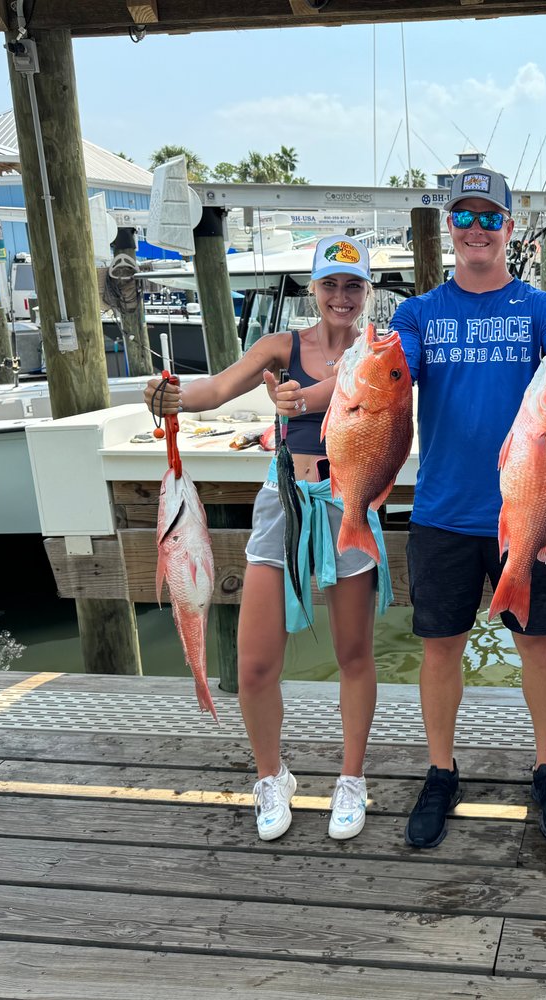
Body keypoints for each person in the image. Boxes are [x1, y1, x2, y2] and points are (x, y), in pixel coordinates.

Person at [144, 235, 383, 844]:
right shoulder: (279, 348)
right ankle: (272, 775)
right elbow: (215, 390)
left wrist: (305, 398)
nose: (341, 296)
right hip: (283, 504)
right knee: (253, 665)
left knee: (354, 655)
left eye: (353, 286)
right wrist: (170, 395)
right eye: (330, 284)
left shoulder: (379, 351)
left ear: (365, 293)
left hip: (348, 502)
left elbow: (355, 385)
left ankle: (351, 779)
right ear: (314, 288)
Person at [390, 167, 546, 849]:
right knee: (439, 646)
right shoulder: (417, 312)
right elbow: (393, 378)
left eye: (489, 218)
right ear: (448, 229)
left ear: (509, 229)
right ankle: (441, 769)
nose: (476, 229)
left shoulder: (541, 309)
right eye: (464, 217)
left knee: (538, 642)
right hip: (443, 511)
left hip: (530, 509)